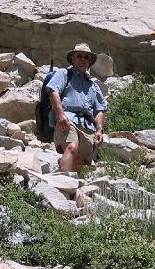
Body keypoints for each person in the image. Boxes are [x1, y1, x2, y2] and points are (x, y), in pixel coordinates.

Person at [46, 43, 108, 172]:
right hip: (68, 120)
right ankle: (62, 183)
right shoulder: (64, 73)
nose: (83, 59)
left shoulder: (93, 85)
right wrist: (61, 115)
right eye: (79, 56)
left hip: (87, 127)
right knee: (72, 148)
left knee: (80, 161)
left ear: (89, 62)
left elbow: (100, 110)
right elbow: (53, 92)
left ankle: (72, 189)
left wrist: (99, 130)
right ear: (73, 59)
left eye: (86, 57)